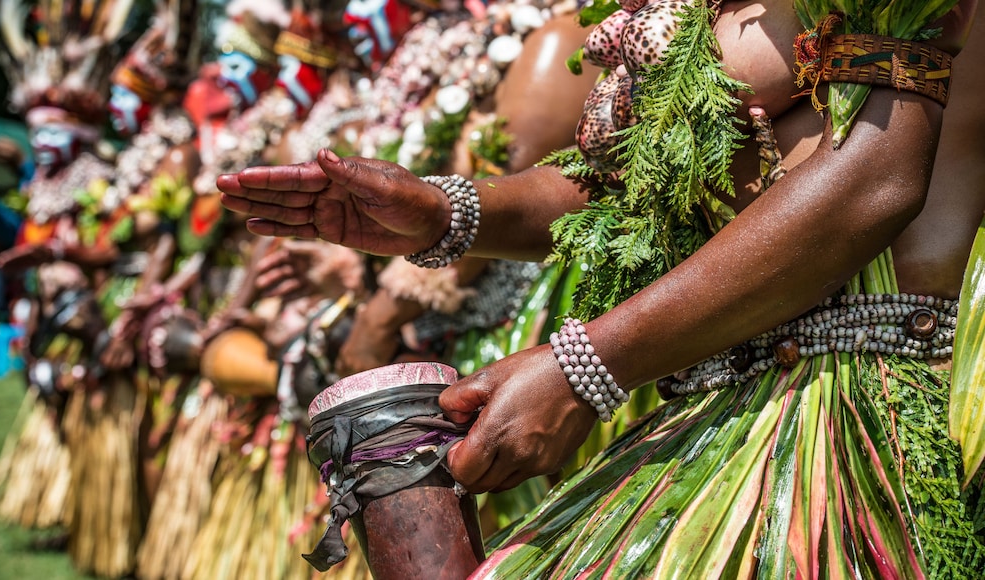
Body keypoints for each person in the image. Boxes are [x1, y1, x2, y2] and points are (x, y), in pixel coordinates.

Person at [220, 0, 985, 576]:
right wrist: (442, 211)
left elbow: (874, 179)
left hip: (851, 430)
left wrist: (587, 365)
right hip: (714, 424)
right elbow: (624, 188)